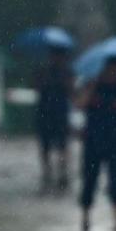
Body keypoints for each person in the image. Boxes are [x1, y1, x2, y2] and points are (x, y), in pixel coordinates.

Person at [76, 55, 116, 231]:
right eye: (111, 69)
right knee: (89, 181)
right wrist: (92, 89)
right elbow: (80, 104)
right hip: (93, 142)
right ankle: (85, 220)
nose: (114, 73)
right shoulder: (92, 85)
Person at [34, 46, 75, 192]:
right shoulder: (42, 71)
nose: (56, 59)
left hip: (60, 114)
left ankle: (62, 173)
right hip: (45, 114)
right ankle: (47, 174)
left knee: (62, 146)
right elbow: (36, 88)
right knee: (45, 147)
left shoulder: (67, 72)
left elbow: (72, 91)